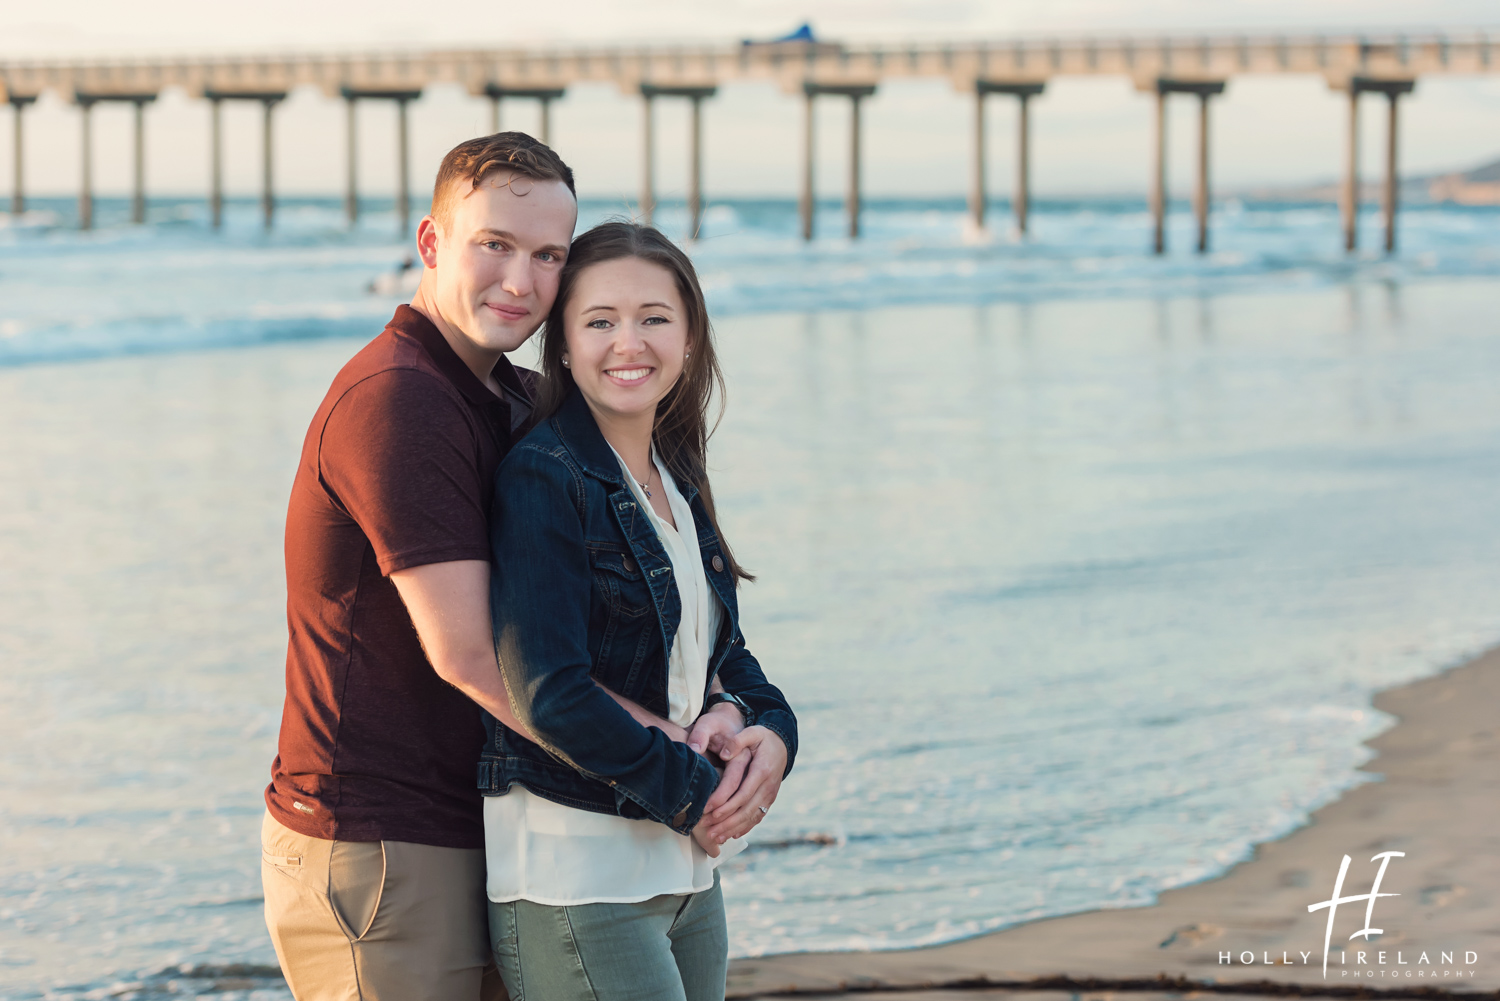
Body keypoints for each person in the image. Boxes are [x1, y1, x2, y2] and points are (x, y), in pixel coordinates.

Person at [261, 135, 689, 1000]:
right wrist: (673, 765)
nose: (521, 281)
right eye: (493, 244)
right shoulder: (398, 402)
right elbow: (470, 656)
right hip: (383, 844)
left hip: (494, 826)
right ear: (431, 243)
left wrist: (744, 720)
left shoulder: (515, 399)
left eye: (548, 256)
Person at [480, 222, 798, 1001]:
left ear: (690, 336)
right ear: (561, 345)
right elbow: (549, 691)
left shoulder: (674, 470)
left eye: (655, 317)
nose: (630, 342)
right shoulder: (544, 479)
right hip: (580, 876)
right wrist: (696, 793)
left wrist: (768, 732)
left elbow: (724, 651)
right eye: (600, 321)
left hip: (686, 871)